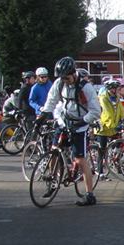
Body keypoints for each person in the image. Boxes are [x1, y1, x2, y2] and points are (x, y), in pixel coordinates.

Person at [39, 56, 102, 206]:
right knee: (54, 151)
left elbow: (95, 111)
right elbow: (51, 100)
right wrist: (42, 116)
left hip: (80, 125)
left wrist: (82, 121)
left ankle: (90, 195)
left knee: (80, 159)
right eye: (62, 78)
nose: (64, 81)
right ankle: (53, 181)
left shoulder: (86, 88)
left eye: (67, 78)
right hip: (64, 121)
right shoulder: (59, 83)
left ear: (74, 73)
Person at [93, 78, 124, 180]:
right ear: (110, 89)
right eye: (116, 88)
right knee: (102, 150)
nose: (118, 90)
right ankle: (100, 172)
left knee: (119, 144)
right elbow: (107, 114)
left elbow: (121, 110)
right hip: (103, 127)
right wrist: (114, 126)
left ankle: (115, 163)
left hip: (113, 127)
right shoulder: (103, 98)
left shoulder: (116, 98)